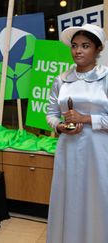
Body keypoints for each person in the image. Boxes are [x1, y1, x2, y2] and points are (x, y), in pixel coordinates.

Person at [46, 24, 108, 243]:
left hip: (99, 151)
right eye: (74, 46)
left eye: (85, 46)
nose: (78, 51)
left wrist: (86, 119)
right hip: (69, 149)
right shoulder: (61, 80)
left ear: (98, 49)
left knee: (97, 197)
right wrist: (59, 127)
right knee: (69, 197)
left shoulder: (106, 78)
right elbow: (52, 114)